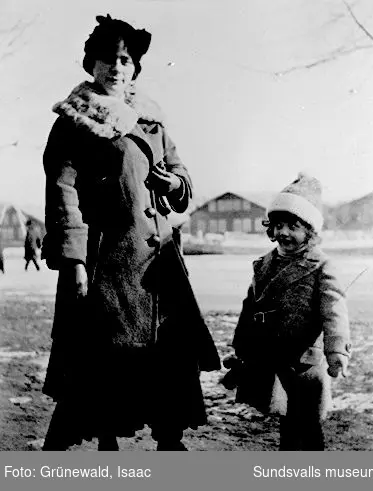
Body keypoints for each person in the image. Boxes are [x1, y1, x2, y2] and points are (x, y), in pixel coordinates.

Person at [41, 14, 220, 451]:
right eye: (107, 58)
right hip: (107, 263)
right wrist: (75, 261)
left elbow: (180, 172)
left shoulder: (150, 120)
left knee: (169, 355)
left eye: (125, 59)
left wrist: (173, 184)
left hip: (157, 264)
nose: (117, 67)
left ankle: (168, 439)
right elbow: (63, 191)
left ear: (135, 67)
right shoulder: (74, 122)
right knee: (105, 360)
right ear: (91, 64)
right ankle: (108, 447)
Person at [224, 173, 351, 450]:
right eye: (278, 225)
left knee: (309, 424)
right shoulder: (264, 265)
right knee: (287, 423)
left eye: (293, 226)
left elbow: (334, 312)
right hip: (274, 358)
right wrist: (241, 347)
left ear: (310, 232)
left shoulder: (321, 266)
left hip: (306, 361)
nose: (284, 233)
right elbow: (250, 309)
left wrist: (337, 351)